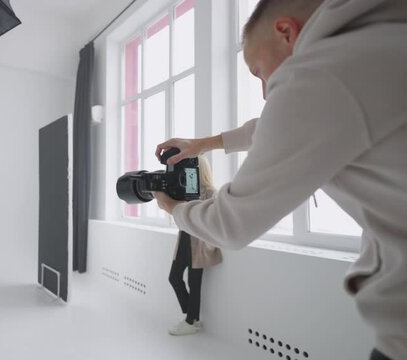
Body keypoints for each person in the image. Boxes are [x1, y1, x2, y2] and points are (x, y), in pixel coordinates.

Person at [153, 0, 407, 359]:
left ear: (286, 32)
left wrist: (172, 207)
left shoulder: (321, 72)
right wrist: (203, 145)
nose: (264, 91)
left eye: (258, 72)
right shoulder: (379, 43)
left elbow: (229, 224)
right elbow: (281, 128)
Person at [168, 156, 222, 336]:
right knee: (174, 277)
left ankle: (190, 321)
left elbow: (212, 221)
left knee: (194, 282)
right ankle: (191, 317)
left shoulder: (211, 192)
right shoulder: (186, 190)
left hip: (199, 244)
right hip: (185, 239)